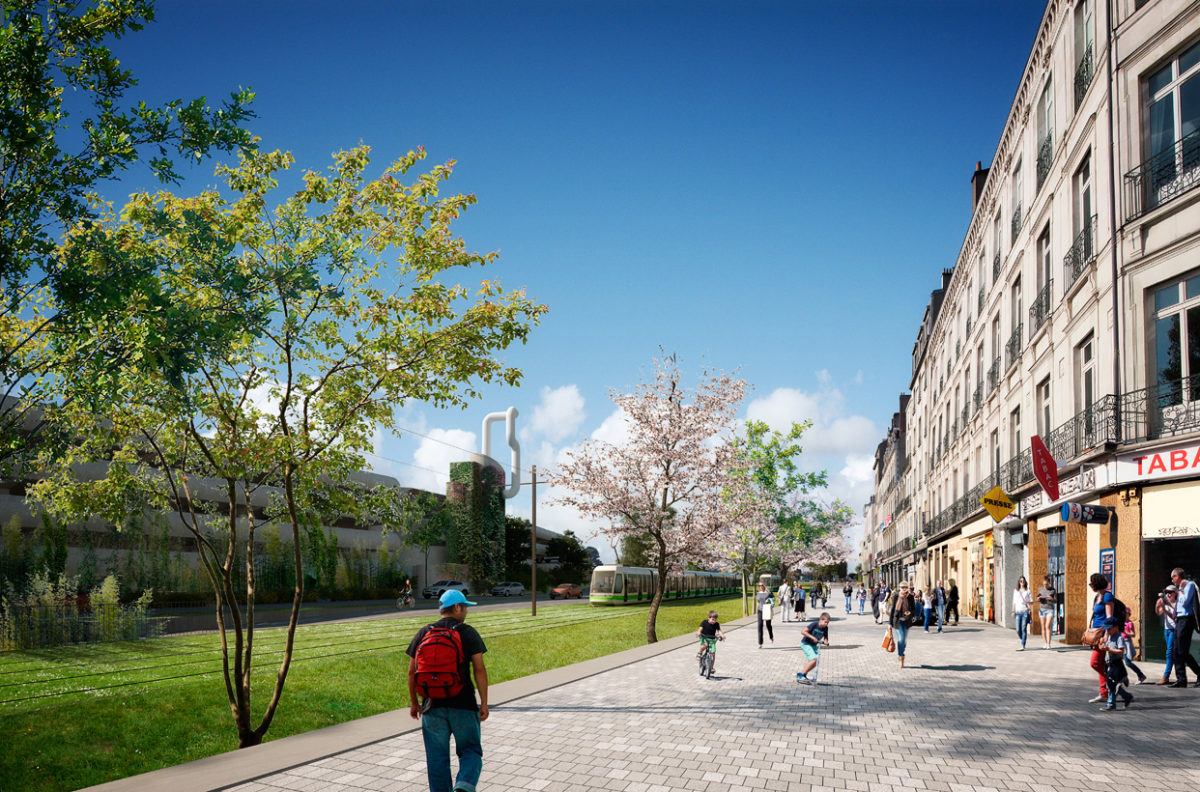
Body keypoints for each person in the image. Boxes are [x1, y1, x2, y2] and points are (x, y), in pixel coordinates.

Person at [407, 589, 488, 792]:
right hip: (463, 705)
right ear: (458, 607)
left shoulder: (424, 632)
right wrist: (484, 703)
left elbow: (411, 672)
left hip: (431, 706)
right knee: (470, 752)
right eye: (465, 607)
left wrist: (415, 703)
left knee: (436, 760)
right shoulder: (467, 632)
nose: (466, 611)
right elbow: (479, 669)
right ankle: (463, 787)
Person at [1086, 573, 1115, 703]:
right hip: (1095, 634)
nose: (1090, 585)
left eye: (1091, 583)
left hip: (1103, 635)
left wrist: (1107, 635)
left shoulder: (1107, 596)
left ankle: (1112, 682)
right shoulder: (1097, 596)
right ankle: (1104, 692)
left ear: (1097, 583)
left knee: (1095, 662)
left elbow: (1109, 616)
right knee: (1101, 664)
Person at [1168, 567, 1200, 687]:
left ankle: (1194, 674)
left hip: (1187, 619)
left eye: (1173, 577)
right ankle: (1181, 679)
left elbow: (1185, 602)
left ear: (1178, 576)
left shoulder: (1189, 585)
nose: (1172, 581)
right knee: (1177, 650)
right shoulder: (1180, 588)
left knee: (1182, 650)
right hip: (1179, 620)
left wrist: (1180, 591)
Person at [1100, 617, 1135, 711]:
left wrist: (1108, 649)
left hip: (1116, 664)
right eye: (1106, 629)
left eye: (1109, 629)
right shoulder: (1110, 636)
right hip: (1109, 663)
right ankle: (1127, 696)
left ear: (1116, 627)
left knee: (1110, 683)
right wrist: (1103, 644)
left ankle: (1111, 704)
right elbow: (1106, 644)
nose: (1107, 631)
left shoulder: (1119, 637)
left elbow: (1120, 651)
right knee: (1112, 684)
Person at [795, 612, 831, 685]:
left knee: (816, 662)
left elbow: (825, 637)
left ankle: (804, 674)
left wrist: (826, 642)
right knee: (814, 659)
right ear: (821, 620)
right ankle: (800, 674)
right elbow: (803, 631)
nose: (826, 624)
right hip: (806, 644)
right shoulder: (814, 624)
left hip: (814, 645)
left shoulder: (825, 628)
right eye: (825, 622)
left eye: (828, 623)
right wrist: (812, 637)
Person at [889, 582, 917, 669]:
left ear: (908, 588)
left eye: (905, 587)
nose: (903, 589)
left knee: (904, 642)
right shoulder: (896, 597)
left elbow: (914, 609)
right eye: (902, 587)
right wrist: (890, 623)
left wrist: (910, 612)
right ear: (899, 588)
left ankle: (901, 652)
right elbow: (893, 610)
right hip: (898, 622)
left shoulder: (910, 597)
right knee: (900, 640)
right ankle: (901, 657)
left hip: (906, 622)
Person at [1155, 585, 1178, 685]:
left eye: (1170, 592)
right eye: (1166, 592)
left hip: (1174, 629)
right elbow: (1158, 613)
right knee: (1175, 653)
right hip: (1167, 630)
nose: (1168, 594)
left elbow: (1174, 617)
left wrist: (1164, 607)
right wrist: (1157, 605)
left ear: (1175, 593)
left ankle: (1166, 676)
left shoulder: (1177, 603)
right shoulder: (1166, 602)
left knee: (1169, 653)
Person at [1121, 614, 1148, 684]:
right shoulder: (1120, 622)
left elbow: (1133, 634)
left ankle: (1141, 675)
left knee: (1128, 663)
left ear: (1128, 615)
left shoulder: (1130, 623)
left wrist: (1125, 632)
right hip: (1121, 644)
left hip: (1127, 644)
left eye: (1125, 614)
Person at [1012, 576, 1032, 650]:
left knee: (1023, 628)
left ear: (1025, 582)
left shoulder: (1028, 591)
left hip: (1025, 612)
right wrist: (1013, 611)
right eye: (1020, 581)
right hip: (1017, 612)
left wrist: (1028, 602)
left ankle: (1023, 644)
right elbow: (1014, 602)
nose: (1022, 582)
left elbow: (1032, 601)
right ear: (1019, 582)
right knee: (1018, 629)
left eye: (1023, 581)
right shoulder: (1016, 591)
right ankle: (1023, 638)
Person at [1036, 575, 1056, 649]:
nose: (1045, 586)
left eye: (1046, 584)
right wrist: (1039, 599)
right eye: (1044, 584)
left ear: (1049, 583)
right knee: (1043, 626)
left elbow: (1056, 600)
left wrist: (1051, 598)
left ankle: (1049, 643)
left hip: (1050, 609)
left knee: (1048, 626)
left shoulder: (1053, 590)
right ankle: (1045, 643)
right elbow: (1037, 599)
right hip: (1042, 609)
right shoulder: (1040, 589)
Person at [756, 582, 774, 648]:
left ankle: (771, 636)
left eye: (761, 585)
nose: (760, 586)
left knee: (768, 625)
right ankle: (760, 643)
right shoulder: (758, 594)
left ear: (764, 586)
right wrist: (757, 611)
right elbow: (758, 602)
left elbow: (774, 599)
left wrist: (769, 599)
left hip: (767, 610)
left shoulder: (768, 592)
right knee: (759, 626)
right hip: (760, 611)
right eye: (759, 585)